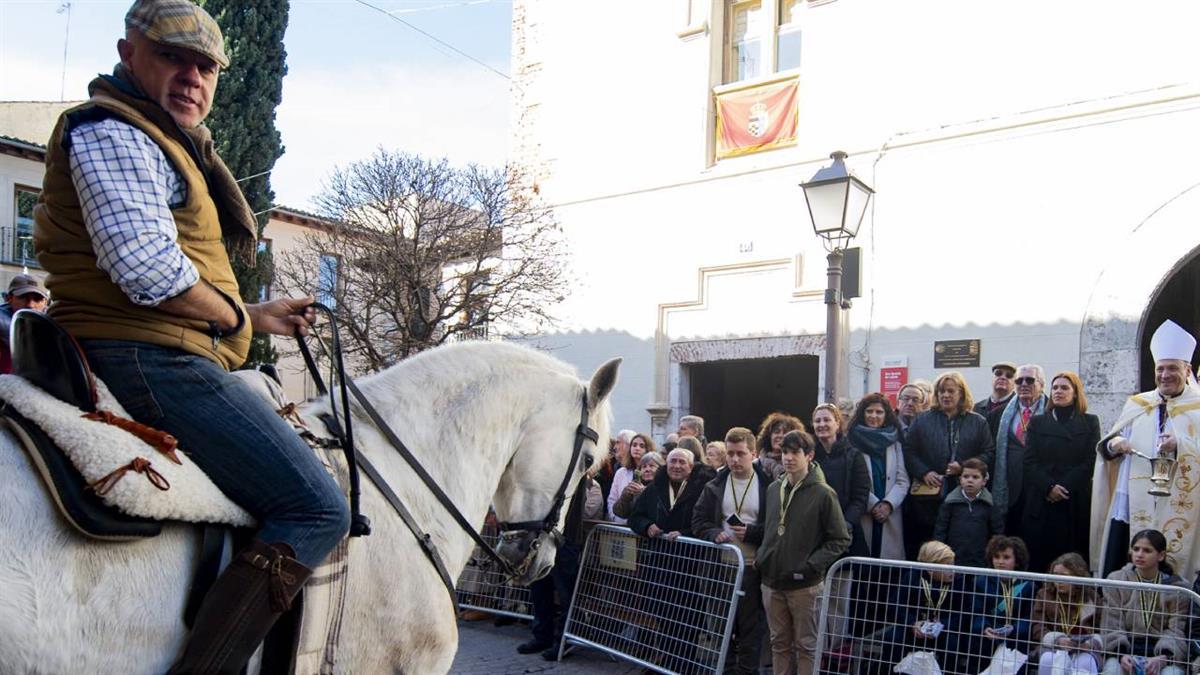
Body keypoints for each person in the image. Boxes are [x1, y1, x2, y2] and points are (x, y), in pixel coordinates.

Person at [32, 2, 349, 672]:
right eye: (172, 56)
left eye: (205, 65)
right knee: (318, 508)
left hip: (153, 345)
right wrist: (237, 318)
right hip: (148, 359)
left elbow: (178, 281)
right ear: (128, 52)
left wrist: (256, 316)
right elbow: (149, 273)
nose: (191, 76)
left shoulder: (160, 139)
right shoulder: (115, 130)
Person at [1092, 320, 1200, 577]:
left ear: (1187, 371)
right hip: (1132, 500)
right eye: (1160, 368)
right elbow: (1107, 445)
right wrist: (1115, 444)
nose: (1165, 375)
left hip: (1181, 503)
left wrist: (1180, 445)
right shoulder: (1139, 404)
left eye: (1172, 368)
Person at [755, 429, 850, 675]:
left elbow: (840, 538)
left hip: (804, 585)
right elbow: (771, 528)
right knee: (779, 643)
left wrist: (810, 565)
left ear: (809, 455)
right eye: (784, 452)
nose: (788, 458)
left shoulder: (823, 493)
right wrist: (764, 558)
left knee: (806, 645)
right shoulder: (774, 489)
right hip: (772, 581)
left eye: (795, 452)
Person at [692, 427, 771, 675]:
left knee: (750, 628)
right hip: (720, 567)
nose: (735, 460)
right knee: (720, 626)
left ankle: (747, 671)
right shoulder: (715, 483)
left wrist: (753, 533)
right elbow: (699, 520)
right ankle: (724, 670)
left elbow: (775, 527)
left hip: (752, 567)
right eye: (730, 454)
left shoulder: (769, 485)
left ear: (753, 453)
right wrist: (714, 533)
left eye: (741, 454)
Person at [628, 448, 706, 673]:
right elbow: (635, 517)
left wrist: (685, 534)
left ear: (691, 468)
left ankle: (685, 665)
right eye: (673, 461)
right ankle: (668, 663)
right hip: (659, 566)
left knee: (688, 619)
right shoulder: (653, 490)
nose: (677, 466)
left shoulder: (700, 491)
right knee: (663, 616)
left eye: (682, 462)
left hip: (688, 567)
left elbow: (705, 522)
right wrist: (646, 526)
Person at [902, 372, 993, 561]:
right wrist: (924, 472)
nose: (945, 395)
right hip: (927, 499)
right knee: (926, 544)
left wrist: (963, 468)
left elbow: (988, 453)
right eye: (941, 391)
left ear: (961, 393)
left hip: (964, 498)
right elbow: (909, 451)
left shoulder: (978, 421)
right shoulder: (922, 419)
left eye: (951, 391)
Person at [1021, 371, 1101, 573]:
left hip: (1073, 499)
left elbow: (1091, 460)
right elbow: (1029, 461)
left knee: (1072, 557)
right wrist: (1049, 487)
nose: (1058, 391)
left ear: (1075, 393)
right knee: (1040, 558)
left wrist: (1064, 486)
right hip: (1042, 498)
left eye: (1064, 387)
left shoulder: (1090, 422)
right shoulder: (1038, 423)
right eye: (1055, 387)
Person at [517, 476, 603, 661]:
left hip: (566, 540)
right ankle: (542, 636)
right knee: (540, 589)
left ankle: (564, 641)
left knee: (566, 594)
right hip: (541, 537)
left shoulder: (578, 479)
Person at [1101, 529, 1190, 675]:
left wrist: (1163, 658)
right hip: (1125, 648)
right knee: (1112, 671)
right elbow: (1111, 621)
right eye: (1136, 549)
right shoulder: (1116, 580)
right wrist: (1121, 654)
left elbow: (1176, 629)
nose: (1139, 554)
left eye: (1147, 550)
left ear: (1161, 556)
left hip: (1160, 651)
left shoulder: (1176, 587)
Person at [877, 541, 969, 675]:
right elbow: (895, 604)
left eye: (953, 563)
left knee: (952, 643)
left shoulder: (959, 582)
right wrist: (912, 623)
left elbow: (964, 614)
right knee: (893, 637)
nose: (953, 569)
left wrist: (943, 624)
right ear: (930, 568)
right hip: (914, 629)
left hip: (943, 632)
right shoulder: (913, 576)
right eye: (948, 565)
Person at [986, 363, 1049, 532]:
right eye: (1019, 380)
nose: (1024, 385)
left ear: (1042, 385)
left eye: (1030, 380)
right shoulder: (997, 416)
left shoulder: (1053, 413)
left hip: (1041, 492)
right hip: (1009, 491)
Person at [847, 392, 909, 560]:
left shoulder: (895, 440)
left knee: (887, 572)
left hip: (891, 512)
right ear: (862, 413)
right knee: (864, 570)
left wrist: (888, 504)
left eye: (879, 412)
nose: (874, 416)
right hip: (865, 512)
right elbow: (851, 481)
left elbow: (903, 480)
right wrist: (874, 505)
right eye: (869, 411)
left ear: (886, 415)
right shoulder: (851, 440)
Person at [961, 535, 1035, 674]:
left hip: (1015, 638)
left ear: (1017, 561)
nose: (1000, 562)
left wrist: (1014, 630)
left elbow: (1028, 617)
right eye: (997, 557)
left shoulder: (1028, 585)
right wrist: (985, 628)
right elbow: (976, 613)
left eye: (1006, 557)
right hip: (986, 638)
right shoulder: (981, 581)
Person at [812, 403, 871, 557]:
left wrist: (845, 524)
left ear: (837, 423)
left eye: (827, 420)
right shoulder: (808, 456)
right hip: (814, 532)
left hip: (846, 532)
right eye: (817, 421)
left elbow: (861, 496)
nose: (822, 424)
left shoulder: (854, 456)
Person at [1030, 552, 1104, 675]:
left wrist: (1089, 644)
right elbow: (1038, 626)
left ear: (1077, 576)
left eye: (1063, 576)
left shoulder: (1091, 597)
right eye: (1055, 575)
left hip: (1084, 648)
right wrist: (1058, 640)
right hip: (1052, 647)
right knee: (1048, 660)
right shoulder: (1044, 594)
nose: (1058, 580)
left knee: (1085, 662)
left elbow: (1101, 629)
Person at [932, 457, 1003, 567]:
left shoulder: (990, 505)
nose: (970, 480)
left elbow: (997, 533)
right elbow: (940, 530)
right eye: (966, 476)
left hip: (981, 561)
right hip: (953, 560)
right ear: (960, 479)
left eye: (975, 477)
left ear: (984, 481)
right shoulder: (949, 503)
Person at [0, 273, 49, 374]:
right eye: (23, 297)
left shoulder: (55, 325)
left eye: (37, 299)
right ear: (9, 298)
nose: (30, 305)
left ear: (45, 302)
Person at [605, 429, 647, 523]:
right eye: (634, 445)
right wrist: (616, 518)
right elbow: (612, 499)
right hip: (621, 523)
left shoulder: (652, 472)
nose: (637, 448)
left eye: (642, 446)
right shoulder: (621, 472)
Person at [611, 450, 663, 520]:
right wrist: (625, 498)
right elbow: (620, 513)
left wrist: (643, 493)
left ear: (660, 468)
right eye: (644, 467)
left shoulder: (664, 487)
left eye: (651, 466)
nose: (647, 469)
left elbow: (658, 512)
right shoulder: (635, 486)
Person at [755, 411, 804, 479]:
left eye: (785, 432)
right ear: (769, 436)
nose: (780, 436)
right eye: (776, 432)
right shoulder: (756, 465)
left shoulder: (800, 466)